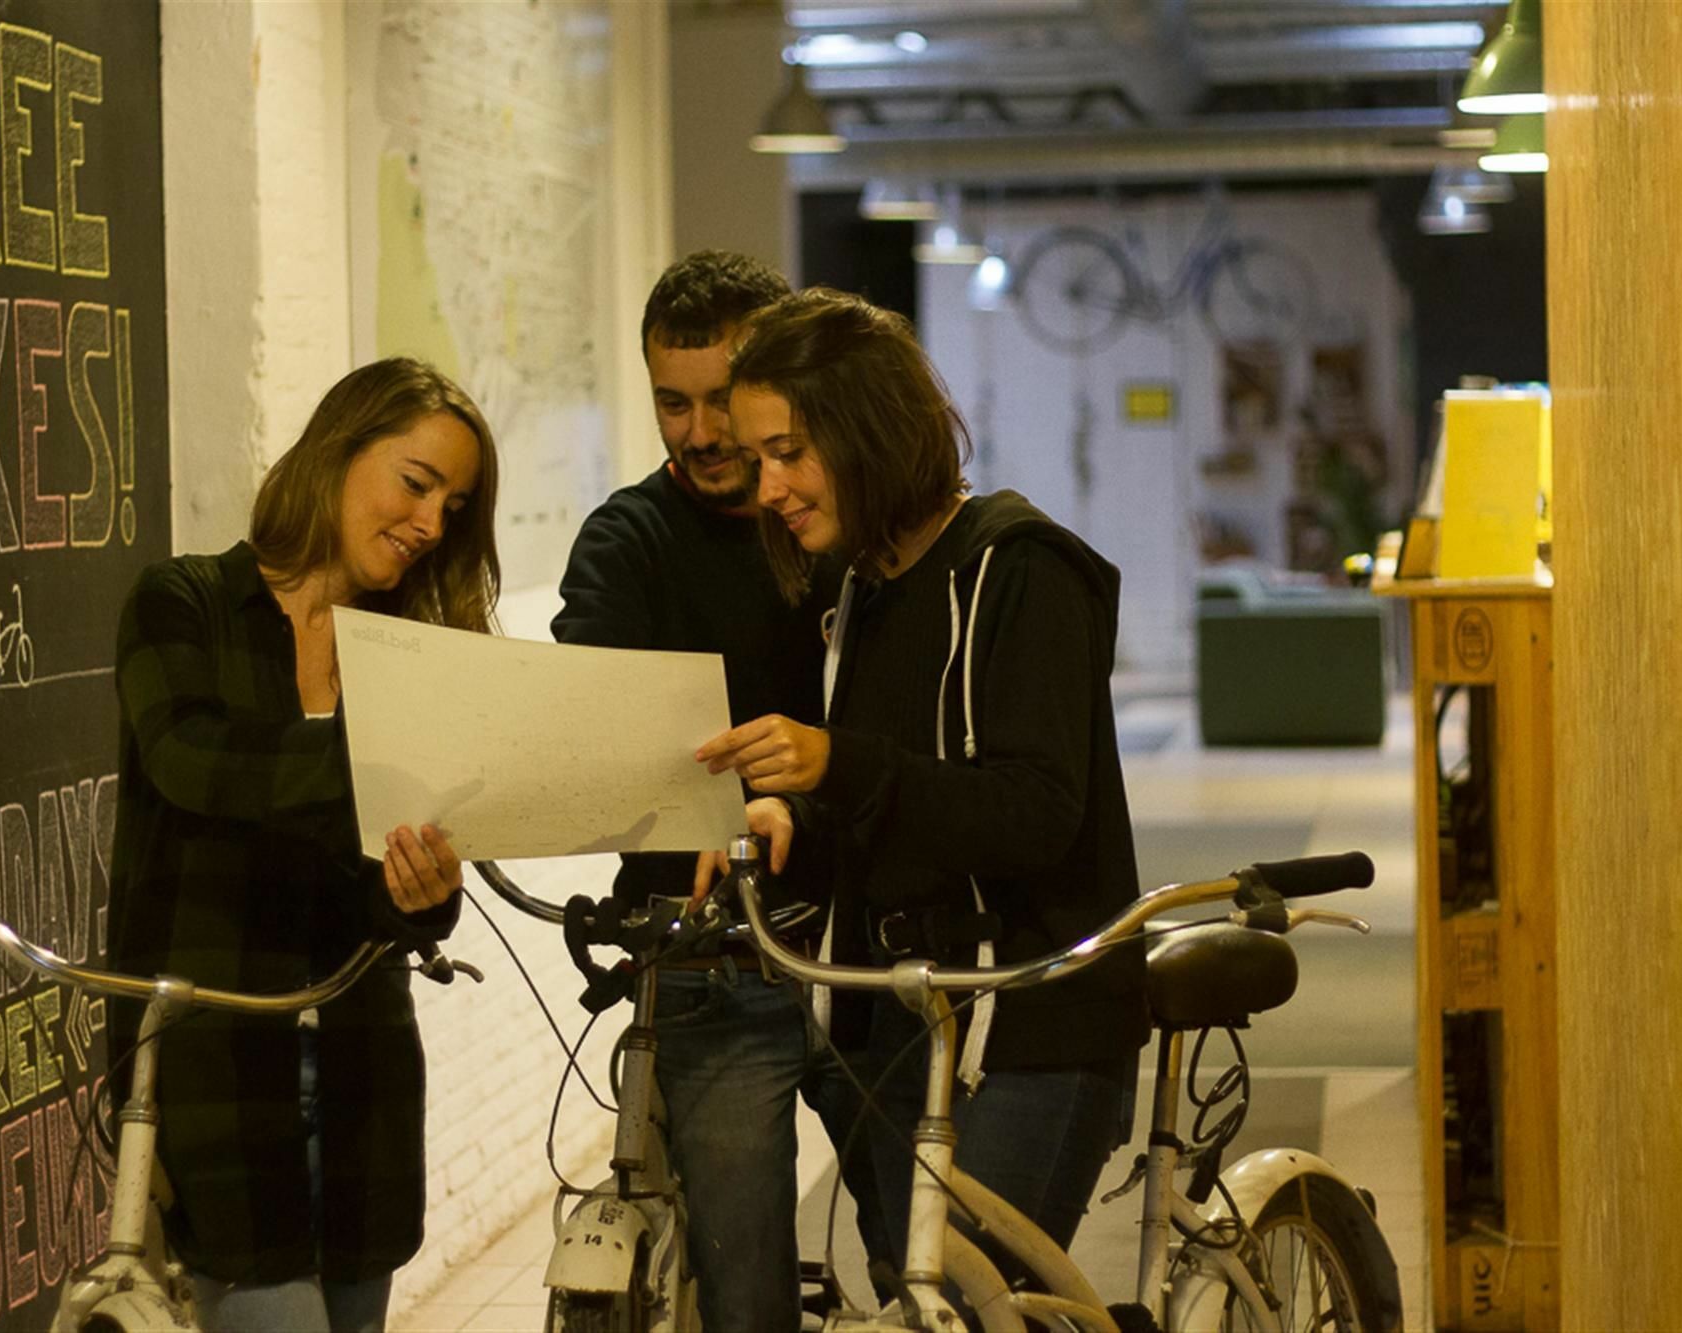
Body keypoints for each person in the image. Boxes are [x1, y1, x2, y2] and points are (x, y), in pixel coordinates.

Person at [695, 288, 1149, 1280]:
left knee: (964, 1296)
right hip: (892, 1018)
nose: (768, 486)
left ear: (867, 427)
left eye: (788, 451)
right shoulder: (862, 588)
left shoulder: (1019, 571)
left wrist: (835, 762)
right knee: (918, 1300)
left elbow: (1034, 814)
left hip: (1031, 1018)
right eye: (757, 457)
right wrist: (792, 815)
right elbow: (890, 812)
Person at [105, 358, 500, 1333]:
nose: (429, 523)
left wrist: (421, 889)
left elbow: (387, 899)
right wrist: (387, 748)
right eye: (416, 483)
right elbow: (193, 762)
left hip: (366, 1058)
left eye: (453, 506)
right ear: (335, 448)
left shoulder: (405, 649)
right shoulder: (183, 601)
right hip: (218, 1063)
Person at [553, 251, 882, 1330]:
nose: (699, 434)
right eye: (670, 402)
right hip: (705, 961)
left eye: (720, 403)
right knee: (746, 1299)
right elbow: (590, 716)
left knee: (933, 1263)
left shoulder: (841, 533)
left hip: (864, 945)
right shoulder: (627, 541)